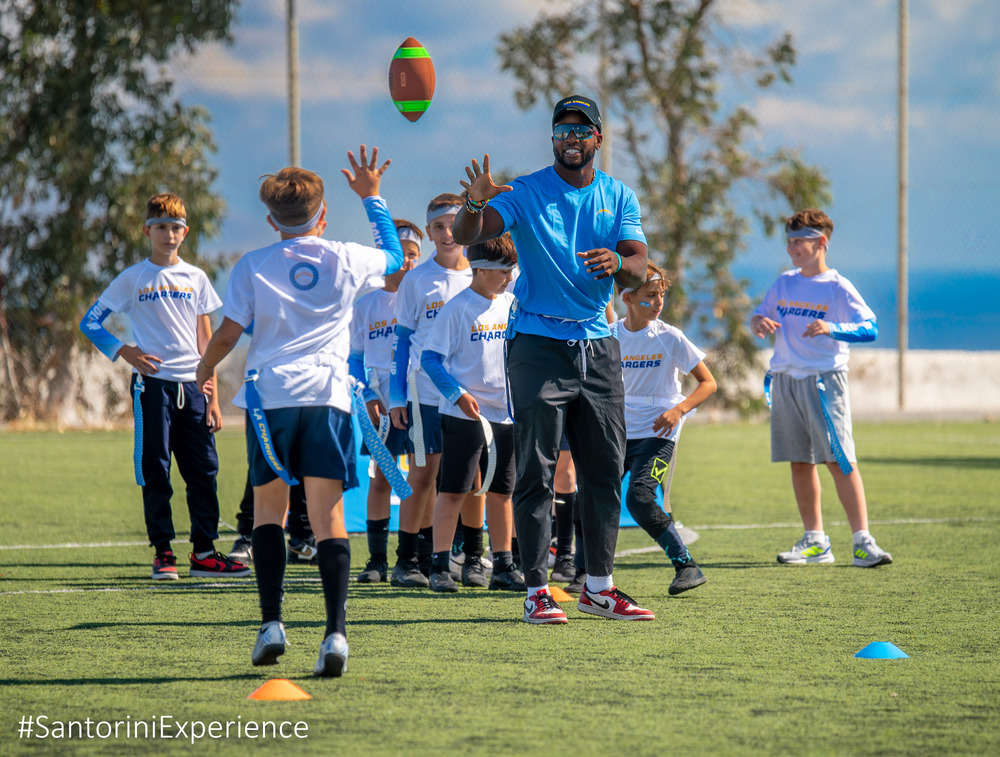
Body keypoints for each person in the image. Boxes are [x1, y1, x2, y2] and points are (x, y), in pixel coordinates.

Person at [195, 146, 404, 677]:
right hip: (329, 397)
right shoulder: (347, 257)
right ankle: (335, 635)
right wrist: (372, 197)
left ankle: (272, 625)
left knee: (270, 512)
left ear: (271, 220)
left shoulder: (252, 265)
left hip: (271, 400)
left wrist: (205, 368)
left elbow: (228, 333)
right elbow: (395, 257)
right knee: (328, 516)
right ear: (324, 213)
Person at [453, 94, 655, 624]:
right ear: (553, 139)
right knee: (537, 470)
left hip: (598, 347)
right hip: (537, 346)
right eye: (562, 131)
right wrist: (473, 204)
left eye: (581, 131)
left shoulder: (618, 195)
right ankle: (536, 591)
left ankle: (599, 587)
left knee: (604, 471)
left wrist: (618, 261)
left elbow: (639, 265)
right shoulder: (525, 191)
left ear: (598, 138)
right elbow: (469, 234)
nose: (571, 139)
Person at [80, 193, 249, 581]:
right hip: (151, 388)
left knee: (204, 471)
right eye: (160, 227)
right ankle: (163, 553)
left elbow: (206, 340)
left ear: (185, 233)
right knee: (156, 469)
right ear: (147, 231)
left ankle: (204, 554)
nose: (168, 234)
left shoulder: (197, 278)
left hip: (194, 388)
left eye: (175, 227)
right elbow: (90, 322)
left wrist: (212, 398)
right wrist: (125, 351)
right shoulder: (133, 278)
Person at [750, 209, 892, 568]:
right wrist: (759, 321)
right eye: (789, 241)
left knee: (839, 461)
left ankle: (863, 542)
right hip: (785, 381)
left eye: (799, 241)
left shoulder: (837, 286)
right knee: (799, 461)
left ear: (821, 243)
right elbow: (762, 314)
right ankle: (815, 541)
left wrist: (832, 328)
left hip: (824, 383)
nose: (792, 248)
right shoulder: (783, 282)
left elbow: (870, 328)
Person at [420, 233, 526, 593]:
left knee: (501, 492)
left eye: (511, 271)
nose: (509, 278)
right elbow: (430, 359)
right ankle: (439, 566)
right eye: (502, 272)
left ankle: (504, 566)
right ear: (479, 270)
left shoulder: (512, 304)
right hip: (464, 416)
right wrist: (458, 394)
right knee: (453, 491)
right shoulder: (456, 308)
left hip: (506, 416)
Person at [388, 194, 477, 588]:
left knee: (472, 478)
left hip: (471, 397)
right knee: (423, 477)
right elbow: (401, 342)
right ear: (428, 232)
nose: (447, 234)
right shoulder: (417, 280)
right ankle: (406, 560)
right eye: (438, 227)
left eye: (453, 225)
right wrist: (396, 397)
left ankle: (472, 557)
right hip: (424, 396)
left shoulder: (481, 274)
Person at [613, 261, 716, 595]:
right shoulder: (610, 336)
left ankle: (686, 565)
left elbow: (708, 383)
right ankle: (583, 572)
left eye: (661, 295)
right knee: (594, 494)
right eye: (650, 295)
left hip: (658, 434)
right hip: (617, 432)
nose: (658, 302)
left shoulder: (670, 337)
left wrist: (678, 410)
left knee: (640, 498)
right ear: (626, 298)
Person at [349, 219, 422, 582]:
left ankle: (419, 556)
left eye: (413, 254)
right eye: (400, 253)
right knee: (381, 478)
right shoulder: (366, 305)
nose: (407, 261)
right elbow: (353, 359)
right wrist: (366, 396)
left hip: (421, 402)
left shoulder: (424, 299)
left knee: (424, 479)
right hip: (381, 406)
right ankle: (376, 560)